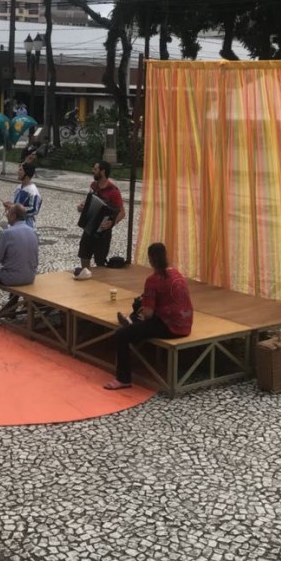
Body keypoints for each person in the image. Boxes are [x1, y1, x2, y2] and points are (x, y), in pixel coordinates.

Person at [104, 242, 193, 390]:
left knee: (122, 335)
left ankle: (123, 379)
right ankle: (132, 322)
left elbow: (148, 314)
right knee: (139, 320)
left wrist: (143, 309)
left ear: (150, 259)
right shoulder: (176, 274)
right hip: (186, 323)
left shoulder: (153, 280)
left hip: (169, 326)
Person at [74, 160, 125, 280]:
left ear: (103, 171)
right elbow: (89, 201)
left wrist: (112, 223)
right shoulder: (94, 186)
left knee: (100, 261)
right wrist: (82, 206)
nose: (93, 171)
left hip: (103, 232)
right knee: (84, 255)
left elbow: (122, 213)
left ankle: (99, 284)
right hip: (89, 228)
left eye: (95, 169)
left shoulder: (113, 191)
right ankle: (86, 278)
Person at [3, 162, 42, 228]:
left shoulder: (32, 191)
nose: (17, 172)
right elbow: (15, 203)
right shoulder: (19, 187)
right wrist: (10, 205)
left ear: (26, 173)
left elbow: (34, 209)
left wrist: (15, 208)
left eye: (20, 170)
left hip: (26, 225)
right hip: (15, 223)